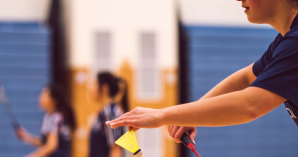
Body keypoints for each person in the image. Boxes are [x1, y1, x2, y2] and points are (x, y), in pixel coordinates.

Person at [107, 0, 298, 143]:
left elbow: (250, 104)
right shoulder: (284, 42)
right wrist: (187, 116)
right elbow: (246, 77)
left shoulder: (295, 43)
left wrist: (160, 115)